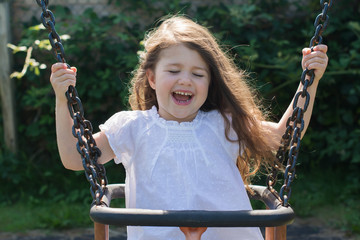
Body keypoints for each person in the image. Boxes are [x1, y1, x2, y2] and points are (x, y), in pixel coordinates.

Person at [50, 15, 328, 240]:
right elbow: (76, 159)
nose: (185, 80)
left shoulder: (225, 124)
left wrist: (310, 82)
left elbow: (282, 139)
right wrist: (63, 102)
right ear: (152, 78)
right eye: (173, 71)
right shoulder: (131, 127)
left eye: (197, 74)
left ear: (210, 84)